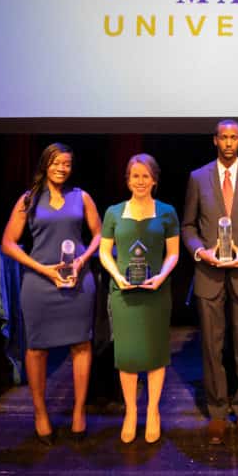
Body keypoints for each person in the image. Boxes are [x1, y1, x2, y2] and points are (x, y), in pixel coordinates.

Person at [1, 143, 102, 445]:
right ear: (45, 164)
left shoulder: (81, 196)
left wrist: (84, 259)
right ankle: (40, 412)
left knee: (81, 344)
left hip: (77, 281)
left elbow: (98, 234)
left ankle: (79, 412)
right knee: (37, 348)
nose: (62, 168)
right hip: (40, 283)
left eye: (67, 164)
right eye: (56, 163)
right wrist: (42, 269)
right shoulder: (28, 199)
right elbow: (9, 242)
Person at [181, 119, 238, 446]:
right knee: (212, 346)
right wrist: (201, 252)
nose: (229, 142)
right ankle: (217, 412)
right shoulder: (197, 177)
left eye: (234, 137)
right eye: (223, 138)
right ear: (215, 141)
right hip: (209, 274)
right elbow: (187, 226)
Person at [98, 154, 180, 444]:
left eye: (145, 176)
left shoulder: (167, 212)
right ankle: (131, 412)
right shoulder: (113, 212)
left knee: (156, 354)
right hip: (123, 293)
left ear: (154, 180)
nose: (140, 181)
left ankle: (153, 411)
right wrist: (116, 276)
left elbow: (173, 254)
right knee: (128, 356)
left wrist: (161, 276)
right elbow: (104, 252)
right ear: (127, 180)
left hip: (156, 292)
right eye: (135, 176)